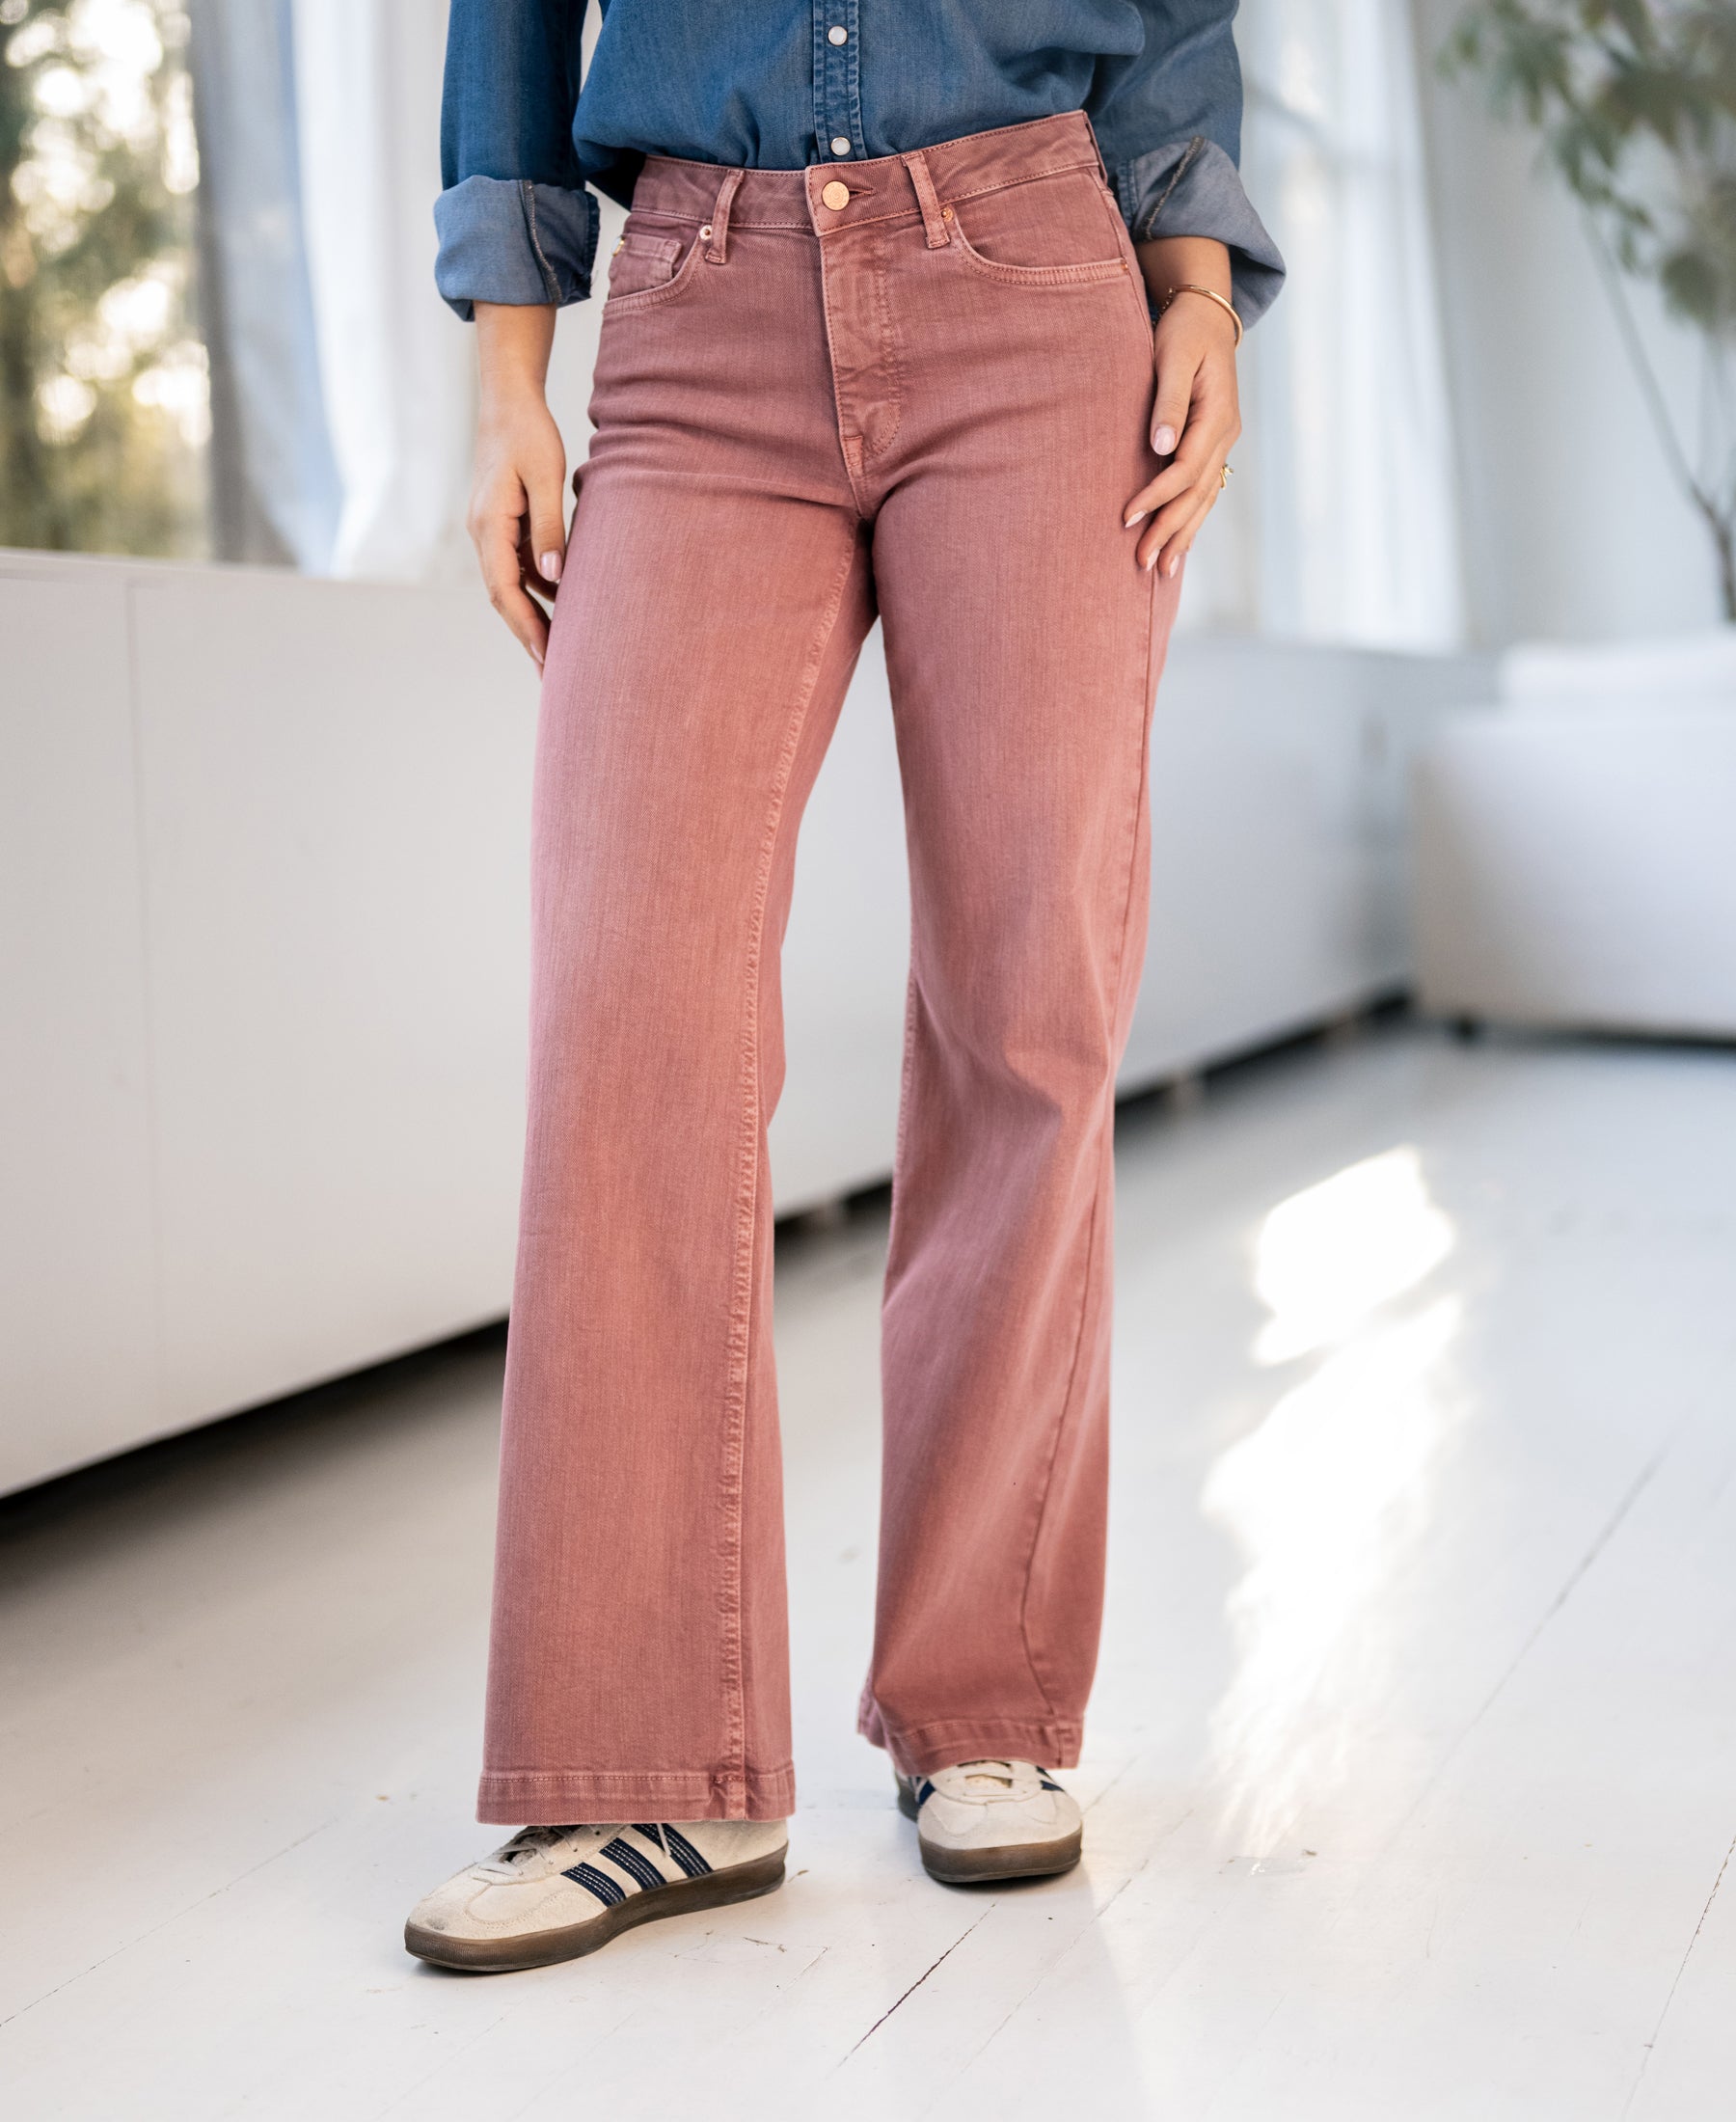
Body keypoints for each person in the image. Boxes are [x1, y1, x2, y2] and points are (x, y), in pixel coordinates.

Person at [405, 0, 1283, 1974]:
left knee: (1024, 996)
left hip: (1041, 283)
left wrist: (1200, 291)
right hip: (699, 308)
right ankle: (649, 1757)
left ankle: (984, 1703)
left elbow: (1168, 13)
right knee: (629, 994)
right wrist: (508, 381)